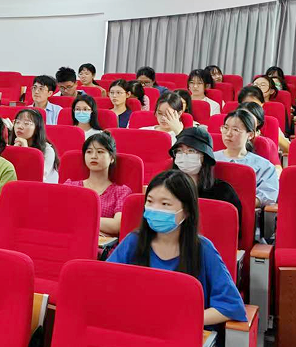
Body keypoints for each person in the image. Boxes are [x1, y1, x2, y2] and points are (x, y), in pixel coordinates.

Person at [108, 170, 248, 332]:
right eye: (150, 201)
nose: (155, 209)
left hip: (185, 333)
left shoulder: (203, 249)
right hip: (138, 329)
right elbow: (106, 285)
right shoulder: (133, 241)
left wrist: (181, 320)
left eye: (165, 204)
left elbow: (230, 305)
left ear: (186, 211)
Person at [169, 128, 242, 232]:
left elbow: (233, 232)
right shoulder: (166, 187)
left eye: (191, 151)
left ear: (204, 156)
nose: (184, 155)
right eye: (179, 151)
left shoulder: (223, 192)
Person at [63, 131, 131, 236]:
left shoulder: (121, 191)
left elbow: (117, 225)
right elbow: (61, 217)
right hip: (69, 239)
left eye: (100, 152)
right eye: (89, 152)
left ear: (112, 158)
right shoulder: (70, 186)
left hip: (102, 245)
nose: (94, 156)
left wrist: (79, 219)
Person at [214, 109, 279, 207]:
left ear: (250, 135)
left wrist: (238, 205)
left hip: (244, 212)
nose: (228, 134)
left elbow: (268, 196)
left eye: (235, 130)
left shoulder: (264, 166)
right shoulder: (210, 159)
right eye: (226, 128)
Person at [10, 109, 59, 183]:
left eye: (26, 123)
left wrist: (25, 151)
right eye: (17, 122)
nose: (20, 126)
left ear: (37, 128)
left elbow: (37, 177)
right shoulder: (11, 145)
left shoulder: (48, 151)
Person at [238, 85, 291, 154]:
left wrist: (273, 134)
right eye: (246, 104)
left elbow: (289, 148)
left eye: (254, 105)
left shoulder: (270, 124)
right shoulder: (233, 122)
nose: (250, 108)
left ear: (262, 104)